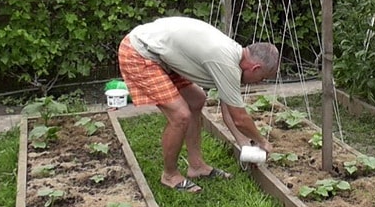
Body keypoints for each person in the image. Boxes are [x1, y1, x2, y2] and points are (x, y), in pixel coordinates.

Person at [117, 16, 279, 193]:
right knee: (180, 116)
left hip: (161, 53)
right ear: (255, 68)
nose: (258, 83)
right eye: (261, 78)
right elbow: (239, 118)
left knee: (196, 100)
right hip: (139, 52)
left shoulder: (233, 56)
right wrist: (262, 141)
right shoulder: (225, 62)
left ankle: (196, 167)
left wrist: (245, 144)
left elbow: (228, 113)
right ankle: (170, 175)